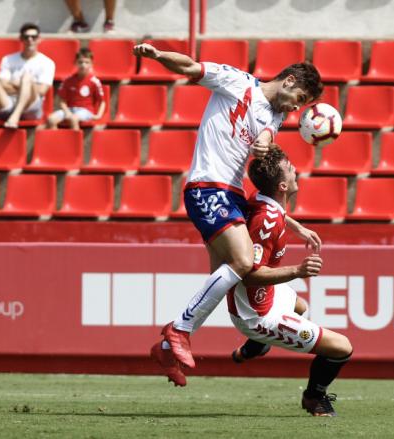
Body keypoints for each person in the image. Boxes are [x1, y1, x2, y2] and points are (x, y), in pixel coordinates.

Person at [134, 43, 324, 373]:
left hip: (232, 194)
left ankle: (167, 348)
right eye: (301, 100)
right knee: (241, 262)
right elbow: (191, 68)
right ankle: (179, 330)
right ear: (290, 81)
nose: (297, 109)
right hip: (208, 186)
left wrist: (296, 225)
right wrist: (157, 56)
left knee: (228, 279)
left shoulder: (276, 116)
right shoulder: (237, 82)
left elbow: (265, 137)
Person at [153, 148, 353, 417]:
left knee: (300, 306)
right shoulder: (266, 223)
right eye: (291, 169)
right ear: (283, 185)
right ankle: (314, 397)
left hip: (267, 294)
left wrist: (298, 227)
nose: (296, 172)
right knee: (342, 348)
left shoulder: (261, 201)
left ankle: (256, 347)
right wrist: (298, 270)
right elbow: (249, 275)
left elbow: (273, 211)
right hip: (257, 315)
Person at [0, 23, 55, 129]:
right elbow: (2, 84)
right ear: (21, 39)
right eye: (26, 37)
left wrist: (19, 83)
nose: (30, 40)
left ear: (39, 39)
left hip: (31, 106)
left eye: (33, 37)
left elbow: (42, 90)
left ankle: (15, 117)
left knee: (27, 77)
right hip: (8, 102)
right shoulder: (8, 59)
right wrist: (23, 87)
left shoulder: (47, 62)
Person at [46, 48, 105, 130]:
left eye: (86, 62)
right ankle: (56, 141)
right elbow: (62, 100)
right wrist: (66, 111)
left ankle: (75, 142)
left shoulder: (94, 81)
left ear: (91, 64)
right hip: (70, 109)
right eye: (80, 62)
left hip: (86, 111)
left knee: (73, 119)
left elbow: (102, 101)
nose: (83, 65)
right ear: (75, 63)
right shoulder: (68, 80)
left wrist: (99, 115)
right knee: (51, 119)